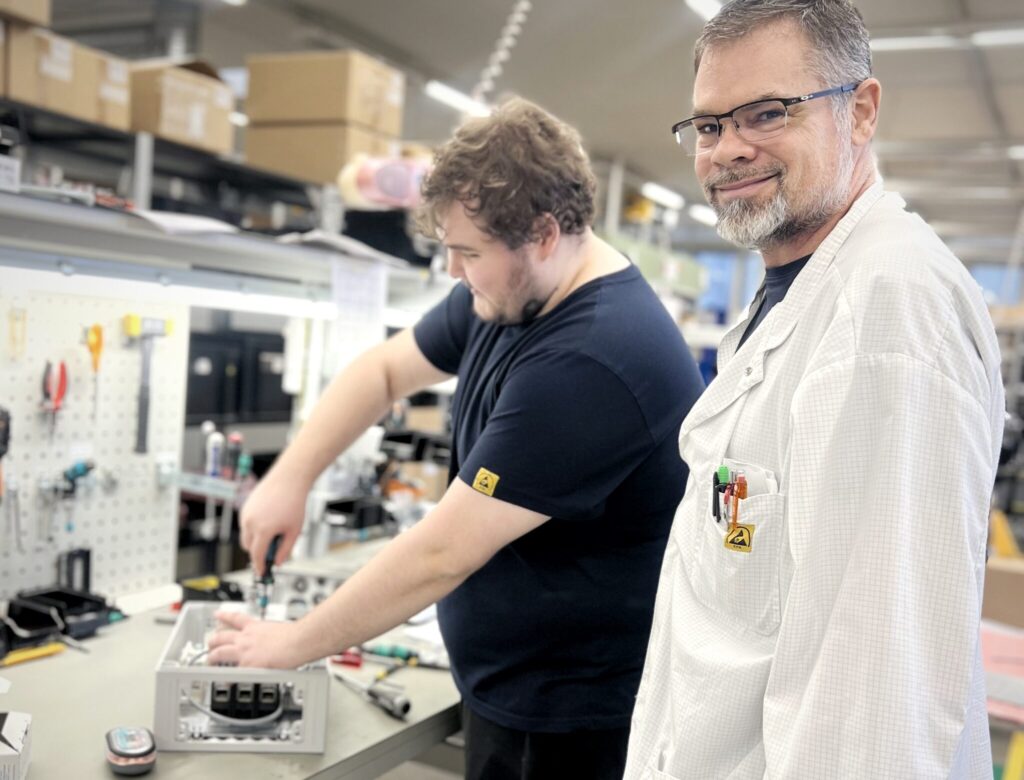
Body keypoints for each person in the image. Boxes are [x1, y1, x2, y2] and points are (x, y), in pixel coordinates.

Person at [208, 98, 705, 779]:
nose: (452, 272)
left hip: (568, 719)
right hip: (511, 686)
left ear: (544, 234)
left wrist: (293, 642)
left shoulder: (593, 357)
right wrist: (289, 477)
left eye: (466, 253)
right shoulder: (508, 289)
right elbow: (384, 371)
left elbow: (443, 551)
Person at [624, 1, 1004, 778]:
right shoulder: (791, 298)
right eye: (707, 126)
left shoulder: (889, 313)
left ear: (860, 112)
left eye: (767, 113)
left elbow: (875, 707)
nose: (727, 150)